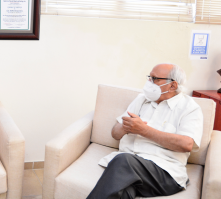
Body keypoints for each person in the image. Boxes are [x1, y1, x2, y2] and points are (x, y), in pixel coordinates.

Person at [87, 63, 203, 199]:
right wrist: (126, 126)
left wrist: (144, 130)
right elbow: (115, 134)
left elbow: (187, 144)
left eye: (155, 79)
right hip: (130, 169)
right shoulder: (141, 99)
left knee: (123, 160)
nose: (149, 83)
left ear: (173, 85)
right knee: (123, 192)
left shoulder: (189, 108)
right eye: (149, 78)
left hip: (164, 173)